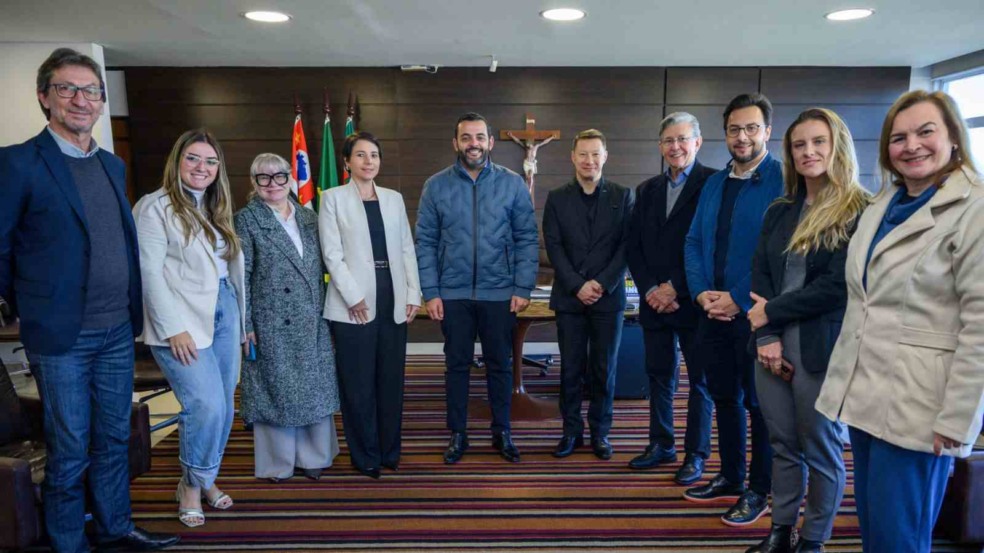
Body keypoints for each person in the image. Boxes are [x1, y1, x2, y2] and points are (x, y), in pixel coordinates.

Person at [0, 48, 179, 553]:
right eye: (67, 89)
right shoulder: (17, 163)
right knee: (71, 446)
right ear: (44, 97)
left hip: (116, 331)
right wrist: (28, 303)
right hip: (61, 336)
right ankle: (68, 542)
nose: (81, 99)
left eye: (91, 91)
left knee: (113, 439)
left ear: (102, 102)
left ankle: (114, 526)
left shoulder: (108, 162)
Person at [816, 90, 984, 553]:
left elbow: (981, 326)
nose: (911, 146)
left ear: (953, 137)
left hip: (920, 403)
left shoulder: (975, 209)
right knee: (874, 526)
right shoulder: (883, 203)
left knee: (899, 537)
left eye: (925, 132)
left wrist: (959, 415)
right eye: (899, 137)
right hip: (867, 391)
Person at [745, 108, 869, 553]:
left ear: (838, 146)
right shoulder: (782, 210)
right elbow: (759, 272)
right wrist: (766, 335)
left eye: (818, 141)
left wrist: (771, 312)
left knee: (820, 447)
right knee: (781, 442)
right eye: (799, 145)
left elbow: (836, 288)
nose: (808, 151)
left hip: (821, 346)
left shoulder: (860, 210)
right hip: (771, 344)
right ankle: (781, 531)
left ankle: (813, 539)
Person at [133, 128, 244, 528]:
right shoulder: (154, 207)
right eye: (194, 158)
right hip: (180, 320)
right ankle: (192, 488)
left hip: (224, 310)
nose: (202, 167)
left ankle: (204, 476)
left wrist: (240, 321)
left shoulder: (215, 206)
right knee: (205, 405)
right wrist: (172, 328)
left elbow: (226, 271)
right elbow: (148, 272)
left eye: (211, 161)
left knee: (226, 406)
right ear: (177, 161)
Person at [416, 112, 539, 464]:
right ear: (456, 143)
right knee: (456, 365)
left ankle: (502, 431)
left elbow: (526, 238)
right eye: (466, 137)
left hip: (499, 292)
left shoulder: (512, 183)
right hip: (452, 294)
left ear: (490, 142)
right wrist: (430, 291)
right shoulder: (435, 186)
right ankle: (458, 433)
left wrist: (522, 287)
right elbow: (425, 241)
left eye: (479, 137)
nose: (474, 143)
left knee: (500, 365)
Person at [683, 92, 783, 526]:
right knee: (724, 397)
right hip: (712, 312)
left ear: (767, 131)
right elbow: (693, 242)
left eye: (751, 128)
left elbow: (779, 252)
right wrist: (702, 293)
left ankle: (760, 489)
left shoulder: (783, 180)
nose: (742, 137)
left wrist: (737, 298)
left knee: (761, 406)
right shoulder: (714, 182)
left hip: (756, 316)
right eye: (734, 129)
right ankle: (729, 474)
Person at [320, 132, 421, 479]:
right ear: (347, 162)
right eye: (361, 155)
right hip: (352, 304)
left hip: (393, 297)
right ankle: (365, 456)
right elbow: (331, 254)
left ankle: (390, 451)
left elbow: (407, 248)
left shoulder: (393, 199)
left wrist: (413, 294)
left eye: (374, 155)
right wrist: (353, 295)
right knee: (357, 383)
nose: (369, 161)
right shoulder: (332, 199)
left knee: (390, 381)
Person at [235, 153, 341, 482]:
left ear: (290, 179)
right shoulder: (246, 220)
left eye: (279, 176)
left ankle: (315, 456)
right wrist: (246, 324)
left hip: (312, 317)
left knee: (313, 387)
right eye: (263, 178)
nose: (273, 184)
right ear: (254, 183)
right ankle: (278, 462)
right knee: (275, 390)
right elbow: (241, 275)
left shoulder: (310, 218)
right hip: (270, 321)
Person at [626, 112, 717, 484]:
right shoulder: (646, 190)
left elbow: (708, 246)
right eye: (668, 140)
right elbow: (635, 246)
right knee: (659, 376)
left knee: (700, 382)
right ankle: (661, 444)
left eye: (682, 139)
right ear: (660, 146)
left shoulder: (713, 184)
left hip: (693, 302)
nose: (675, 147)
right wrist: (650, 288)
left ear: (697, 142)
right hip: (654, 303)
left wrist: (675, 288)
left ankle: (695, 454)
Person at [542, 129, 633, 460]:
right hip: (569, 297)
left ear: (605, 156)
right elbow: (553, 246)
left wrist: (602, 283)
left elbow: (626, 247)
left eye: (595, 154)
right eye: (583, 154)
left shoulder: (623, 196)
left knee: (603, 369)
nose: (589, 160)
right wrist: (577, 284)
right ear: (573, 157)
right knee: (570, 369)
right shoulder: (557, 197)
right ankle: (570, 431)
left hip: (608, 298)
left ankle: (600, 433)